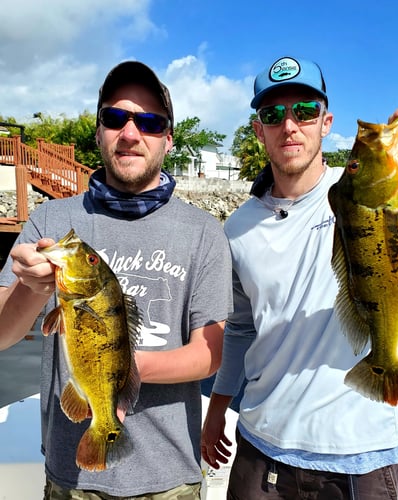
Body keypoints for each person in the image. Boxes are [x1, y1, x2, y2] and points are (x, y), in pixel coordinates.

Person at [201, 55, 398, 499]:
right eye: (273, 115)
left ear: (326, 122)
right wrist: (218, 407)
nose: (289, 125)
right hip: (261, 450)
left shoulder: (354, 190)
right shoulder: (237, 228)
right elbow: (240, 328)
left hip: (360, 456)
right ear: (259, 130)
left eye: (306, 111)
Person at [0, 61, 232, 499]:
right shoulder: (51, 219)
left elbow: (210, 354)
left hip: (171, 481)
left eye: (148, 122)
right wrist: (31, 290)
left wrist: (124, 372)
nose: (130, 133)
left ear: (168, 139)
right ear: (98, 130)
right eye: (115, 118)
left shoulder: (204, 232)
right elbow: (2, 334)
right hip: (70, 480)